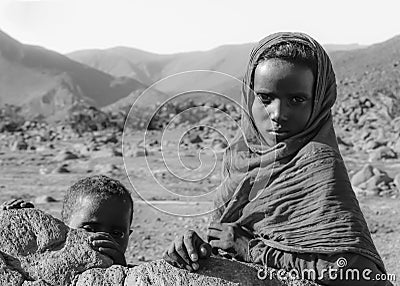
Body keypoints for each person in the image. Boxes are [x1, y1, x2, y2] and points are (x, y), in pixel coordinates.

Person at [163, 32, 391, 285]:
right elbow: (227, 239)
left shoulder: (318, 164)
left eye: (297, 99)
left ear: (319, 101)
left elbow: (362, 274)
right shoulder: (240, 157)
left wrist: (255, 250)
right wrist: (195, 249)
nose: (278, 114)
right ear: (249, 97)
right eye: (265, 98)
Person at [2, 175, 133, 267]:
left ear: (129, 235)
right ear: (63, 228)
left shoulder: (137, 278)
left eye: (117, 233)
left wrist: (120, 271)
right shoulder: (45, 264)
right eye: (89, 229)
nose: (103, 237)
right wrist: (11, 223)